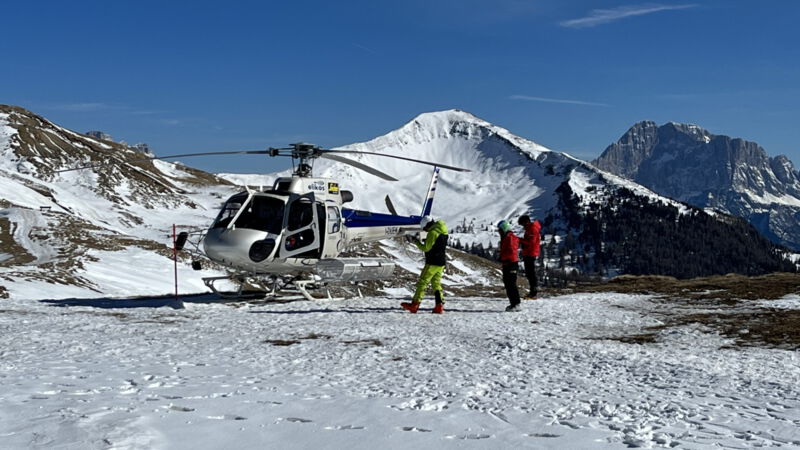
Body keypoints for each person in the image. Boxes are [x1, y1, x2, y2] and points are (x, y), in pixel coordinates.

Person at [401, 216, 448, 314]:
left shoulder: (432, 233)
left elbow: (425, 248)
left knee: (422, 282)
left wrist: (415, 241)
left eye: (425, 228)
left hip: (432, 262)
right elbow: (435, 244)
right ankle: (439, 306)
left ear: (428, 225)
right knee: (436, 284)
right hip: (441, 262)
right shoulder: (443, 230)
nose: (425, 230)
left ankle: (415, 305)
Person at [497, 220, 522, 312]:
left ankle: (516, 304)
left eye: (500, 230)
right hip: (508, 263)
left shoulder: (510, 237)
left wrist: (504, 258)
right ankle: (513, 304)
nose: (499, 232)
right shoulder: (506, 237)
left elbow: (511, 250)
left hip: (511, 263)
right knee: (508, 284)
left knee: (511, 284)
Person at [518, 214, 542, 299]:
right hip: (528, 252)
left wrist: (520, 240)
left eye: (523, 224)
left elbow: (530, 242)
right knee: (529, 273)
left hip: (530, 253)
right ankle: (532, 292)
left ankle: (534, 293)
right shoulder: (529, 229)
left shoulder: (532, 229)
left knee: (531, 273)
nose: (523, 227)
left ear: (526, 222)